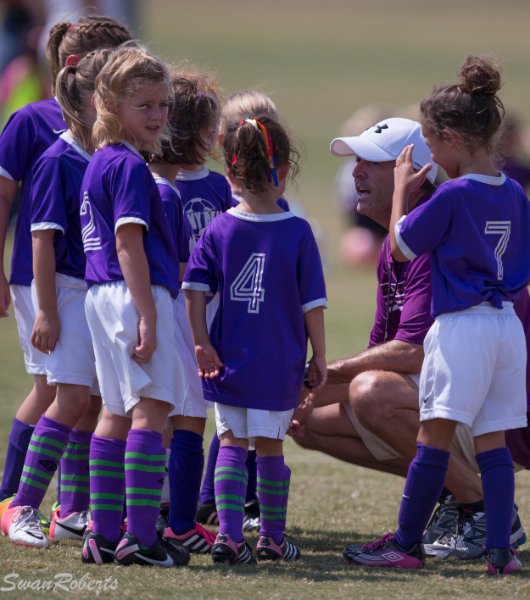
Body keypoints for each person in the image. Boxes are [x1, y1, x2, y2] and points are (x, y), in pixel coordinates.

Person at [289, 116, 527, 561]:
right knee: (306, 417)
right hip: (470, 394)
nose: (356, 173)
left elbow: (413, 353)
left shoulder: (434, 235)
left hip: (502, 413)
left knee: (371, 392)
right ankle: (460, 498)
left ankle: (483, 508)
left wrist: (323, 373)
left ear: (414, 173)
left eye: (371, 163)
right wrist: (299, 389)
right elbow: (381, 347)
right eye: (356, 162)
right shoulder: (394, 247)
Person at [344, 55, 530, 575]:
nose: (428, 152)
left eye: (431, 140)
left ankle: (405, 543)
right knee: (492, 439)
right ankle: (501, 552)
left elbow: (401, 244)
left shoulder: (452, 193)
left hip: (463, 326)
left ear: (450, 138)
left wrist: (402, 188)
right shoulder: (514, 191)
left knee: (434, 437)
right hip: (505, 326)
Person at [0, 15, 132, 522]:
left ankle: (72, 505)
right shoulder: (32, 122)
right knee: (55, 390)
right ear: (81, 68)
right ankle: (13, 496)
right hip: (41, 275)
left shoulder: (108, 128)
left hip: (89, 275)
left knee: (86, 393)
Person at [183, 116, 327, 564]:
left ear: (229, 175)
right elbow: (312, 304)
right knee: (270, 448)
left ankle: (227, 537)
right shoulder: (298, 231)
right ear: (283, 171)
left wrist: (201, 342)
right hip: (279, 363)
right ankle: (272, 538)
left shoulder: (219, 229)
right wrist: (320, 354)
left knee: (230, 444)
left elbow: (193, 289)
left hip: (229, 361)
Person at [78, 45, 189, 568]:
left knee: (116, 412)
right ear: (109, 103)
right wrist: (147, 314)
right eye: (144, 105)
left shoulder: (100, 160)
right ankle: (142, 539)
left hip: (101, 296)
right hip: (131, 294)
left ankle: (101, 534)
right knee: (151, 411)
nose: (158, 115)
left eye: (163, 105)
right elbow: (128, 244)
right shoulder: (127, 166)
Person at [196, 88, 291, 532]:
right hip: (232, 327)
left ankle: (237, 505)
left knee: (236, 423)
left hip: (242, 328)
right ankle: (215, 502)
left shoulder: (281, 215)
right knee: (239, 426)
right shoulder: (222, 205)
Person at [148, 69, 216, 555]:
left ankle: (159, 510)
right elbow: (170, 266)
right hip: (171, 313)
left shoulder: (207, 187)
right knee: (186, 413)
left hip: (179, 314)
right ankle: (179, 520)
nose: (217, 138)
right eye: (211, 130)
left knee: (162, 413)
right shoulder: (163, 189)